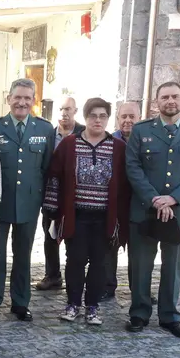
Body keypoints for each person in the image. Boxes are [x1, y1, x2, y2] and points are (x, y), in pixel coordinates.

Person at [125, 82, 180, 339]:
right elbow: (133, 167)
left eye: (175, 96)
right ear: (157, 102)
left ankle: (169, 316)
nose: (170, 101)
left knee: (173, 265)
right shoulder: (141, 131)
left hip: (178, 210)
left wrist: (173, 198)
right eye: (165, 97)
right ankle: (139, 313)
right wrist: (155, 198)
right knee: (140, 264)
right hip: (144, 209)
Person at [43, 98, 130, 326]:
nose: (98, 120)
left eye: (102, 116)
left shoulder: (118, 148)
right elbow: (54, 176)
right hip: (77, 216)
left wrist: (123, 218)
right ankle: (72, 304)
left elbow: (125, 185)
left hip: (105, 218)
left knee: (100, 263)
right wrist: (52, 208)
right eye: (93, 116)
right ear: (86, 117)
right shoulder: (69, 145)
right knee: (75, 260)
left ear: (108, 119)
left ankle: (92, 307)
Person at [0, 78, 55, 322]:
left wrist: (45, 202)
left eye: (27, 98)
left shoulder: (44, 129)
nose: (21, 102)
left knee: (23, 255)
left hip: (29, 203)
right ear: (8, 99)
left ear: (33, 101)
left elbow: (47, 168)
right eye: (17, 97)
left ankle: (20, 303)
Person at [36, 97, 85, 292]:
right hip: (51, 193)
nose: (64, 113)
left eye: (68, 109)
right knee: (50, 234)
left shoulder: (84, 132)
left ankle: (75, 277)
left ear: (75, 110)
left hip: (77, 194)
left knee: (74, 236)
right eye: (61, 109)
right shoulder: (48, 133)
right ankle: (53, 275)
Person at [103, 101, 142, 302]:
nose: (127, 121)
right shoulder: (109, 141)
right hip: (115, 204)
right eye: (123, 117)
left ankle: (139, 288)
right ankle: (107, 286)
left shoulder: (146, 139)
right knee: (110, 245)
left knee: (138, 248)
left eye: (131, 117)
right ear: (118, 119)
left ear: (139, 118)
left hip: (139, 202)